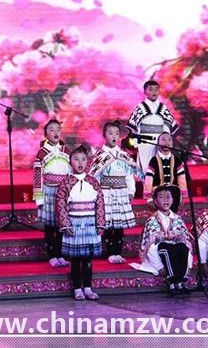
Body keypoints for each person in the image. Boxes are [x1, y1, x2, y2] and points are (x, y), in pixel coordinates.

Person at [56, 146, 105, 301]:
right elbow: (60, 204)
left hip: (90, 223)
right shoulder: (66, 182)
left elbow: (100, 203)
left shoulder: (93, 181)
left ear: (88, 162)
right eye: (76, 159)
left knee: (88, 259)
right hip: (74, 224)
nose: (80, 163)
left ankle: (88, 288)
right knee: (76, 259)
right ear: (70, 162)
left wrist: (100, 223)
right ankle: (77, 288)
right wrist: (66, 224)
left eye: (83, 159)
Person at [88, 121, 139, 264]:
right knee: (109, 224)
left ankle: (118, 251)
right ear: (104, 135)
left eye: (116, 133)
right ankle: (110, 252)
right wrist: (97, 195)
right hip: (106, 192)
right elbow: (94, 177)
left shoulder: (123, 154)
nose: (114, 136)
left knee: (119, 225)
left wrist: (131, 192)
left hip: (121, 192)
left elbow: (129, 175)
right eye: (110, 133)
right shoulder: (100, 155)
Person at [131, 185, 193, 297]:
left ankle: (181, 281)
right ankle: (172, 282)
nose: (165, 200)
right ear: (155, 201)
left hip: (177, 248)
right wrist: (159, 267)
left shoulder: (178, 219)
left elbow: (186, 241)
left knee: (182, 247)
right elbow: (148, 246)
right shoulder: (152, 221)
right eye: (161, 197)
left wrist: (189, 264)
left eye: (168, 197)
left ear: (173, 200)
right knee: (166, 248)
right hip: (160, 251)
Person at [33, 119, 71, 267]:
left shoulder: (66, 151)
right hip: (49, 192)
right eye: (51, 129)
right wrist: (39, 198)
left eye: (58, 129)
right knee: (50, 226)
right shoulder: (42, 152)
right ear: (45, 134)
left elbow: (71, 172)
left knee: (62, 224)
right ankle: (52, 255)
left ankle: (60, 254)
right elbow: (37, 175)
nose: (55, 132)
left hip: (63, 192)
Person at [127, 79, 179, 174]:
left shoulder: (163, 107)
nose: (154, 92)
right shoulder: (140, 107)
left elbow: (168, 125)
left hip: (160, 141)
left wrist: (166, 140)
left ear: (159, 91)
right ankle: (147, 183)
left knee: (160, 166)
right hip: (144, 142)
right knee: (147, 167)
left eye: (156, 89)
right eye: (150, 89)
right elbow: (134, 128)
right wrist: (136, 142)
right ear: (145, 92)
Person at [144, 132, 187, 213]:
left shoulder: (177, 160)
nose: (167, 142)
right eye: (163, 140)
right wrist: (149, 198)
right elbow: (148, 179)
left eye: (169, 140)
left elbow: (181, 179)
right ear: (158, 143)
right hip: (158, 193)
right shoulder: (153, 160)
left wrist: (182, 197)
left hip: (174, 193)